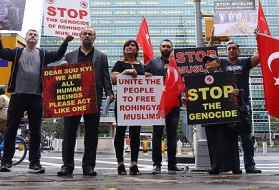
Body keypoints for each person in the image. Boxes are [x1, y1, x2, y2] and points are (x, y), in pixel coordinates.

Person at [0, 25, 73, 174]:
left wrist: (65, 42)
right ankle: (6, 162)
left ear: (37, 39)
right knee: (10, 130)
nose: (32, 36)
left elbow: (57, 55)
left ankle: (34, 163)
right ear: (26, 37)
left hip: (36, 97)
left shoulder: (43, 54)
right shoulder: (17, 52)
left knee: (36, 131)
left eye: (35, 35)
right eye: (30, 34)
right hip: (17, 96)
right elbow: (2, 53)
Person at [57, 26, 114, 177]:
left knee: (91, 134)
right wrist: (62, 68)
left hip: (93, 98)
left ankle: (88, 166)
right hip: (73, 99)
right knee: (69, 132)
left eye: (90, 34)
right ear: (80, 36)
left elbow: (105, 77)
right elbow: (61, 79)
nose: (87, 36)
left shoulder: (101, 56)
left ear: (94, 38)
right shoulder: (69, 56)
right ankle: (67, 166)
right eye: (85, 34)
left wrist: (109, 93)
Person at [208, 27, 261, 174]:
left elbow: (262, 54)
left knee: (246, 136)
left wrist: (259, 37)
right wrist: (212, 38)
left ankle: (249, 165)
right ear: (225, 52)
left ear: (239, 51)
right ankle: (232, 166)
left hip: (243, 104)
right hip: (226, 105)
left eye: (234, 48)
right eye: (229, 48)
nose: (231, 50)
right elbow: (208, 55)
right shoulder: (222, 63)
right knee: (227, 137)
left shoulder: (245, 62)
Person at [146, 39, 184, 174]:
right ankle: (156, 164)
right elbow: (140, 76)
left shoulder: (178, 63)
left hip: (174, 103)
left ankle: (172, 164)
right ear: (160, 48)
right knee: (157, 134)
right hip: (158, 103)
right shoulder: (152, 63)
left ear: (172, 49)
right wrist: (146, 74)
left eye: (168, 46)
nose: (166, 48)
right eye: (164, 46)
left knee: (172, 134)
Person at [201, 54, 241, 175]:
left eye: (210, 60)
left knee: (230, 141)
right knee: (213, 142)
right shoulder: (199, 79)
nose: (207, 62)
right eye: (206, 61)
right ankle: (216, 166)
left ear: (218, 63)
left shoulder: (227, 75)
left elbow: (237, 90)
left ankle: (235, 166)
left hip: (226, 114)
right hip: (210, 115)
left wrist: (237, 92)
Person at [111, 39, 146, 175]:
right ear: (124, 49)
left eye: (133, 45)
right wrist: (126, 72)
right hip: (123, 103)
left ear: (137, 50)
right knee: (120, 131)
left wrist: (147, 76)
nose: (130, 47)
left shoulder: (142, 66)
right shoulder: (120, 64)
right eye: (127, 45)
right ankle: (120, 163)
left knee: (135, 133)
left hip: (137, 104)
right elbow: (113, 79)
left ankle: (134, 164)